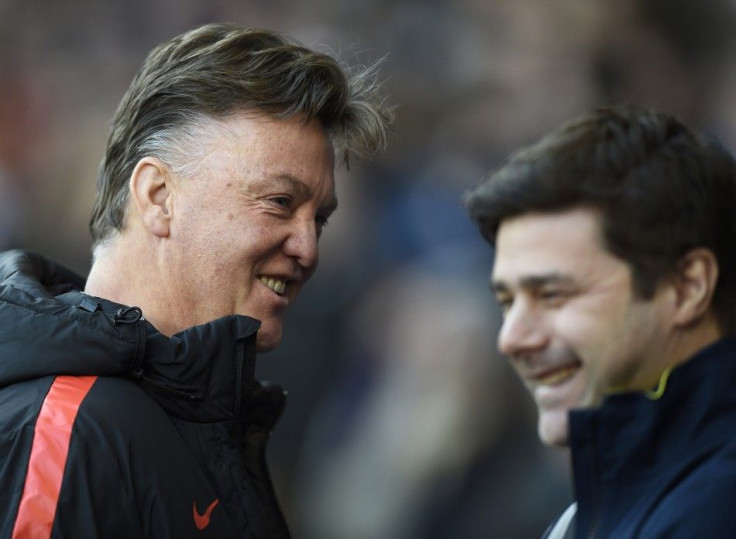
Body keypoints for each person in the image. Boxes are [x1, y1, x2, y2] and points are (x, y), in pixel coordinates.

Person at [0, 23, 391, 538]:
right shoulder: (69, 431)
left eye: (318, 219)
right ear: (159, 197)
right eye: (279, 202)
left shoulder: (210, 415)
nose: (309, 248)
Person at [465, 106, 736, 538]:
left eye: (552, 294)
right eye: (507, 301)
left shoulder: (714, 513)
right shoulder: (596, 510)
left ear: (687, 288)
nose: (511, 339)